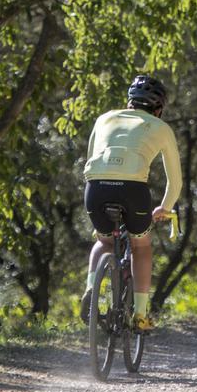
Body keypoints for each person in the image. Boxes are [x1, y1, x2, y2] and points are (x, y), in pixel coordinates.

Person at [81, 75, 182, 331]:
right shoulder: (161, 127)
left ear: (130, 102)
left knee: (104, 241)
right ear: (158, 109)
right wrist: (166, 207)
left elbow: (90, 157)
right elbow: (175, 181)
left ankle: (91, 289)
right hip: (133, 190)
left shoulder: (104, 118)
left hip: (96, 187)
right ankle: (140, 315)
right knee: (141, 246)